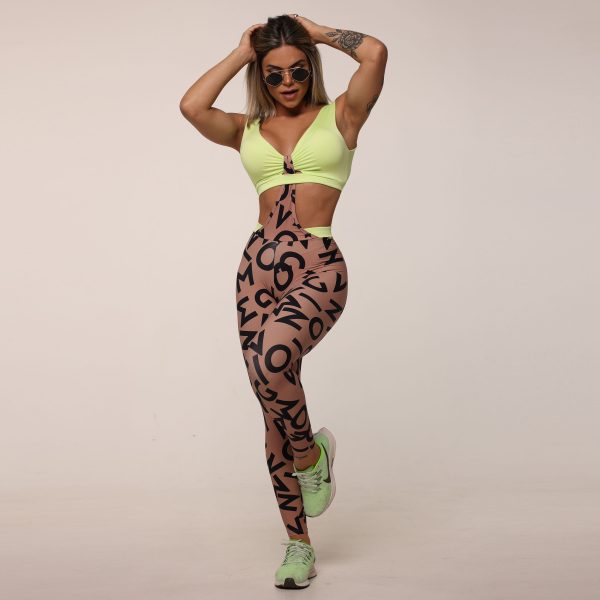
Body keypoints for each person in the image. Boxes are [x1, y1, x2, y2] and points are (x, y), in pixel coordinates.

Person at [180, 13, 387, 589]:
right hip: (256, 271)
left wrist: (316, 33)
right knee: (271, 402)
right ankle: (299, 545)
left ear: (311, 69)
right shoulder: (246, 128)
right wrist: (241, 52)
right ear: (261, 77)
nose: (288, 82)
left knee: (273, 364)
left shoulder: (341, 115)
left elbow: (374, 53)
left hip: (317, 265)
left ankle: (311, 457)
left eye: (298, 70)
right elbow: (192, 107)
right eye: (274, 74)